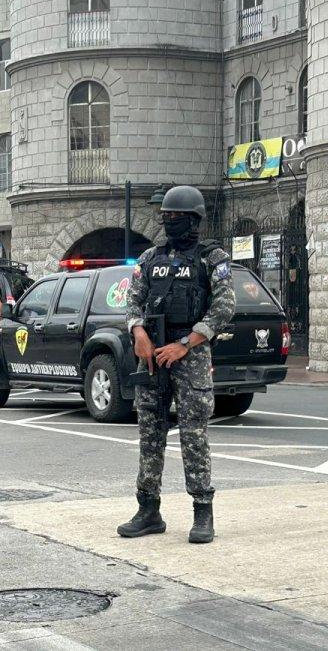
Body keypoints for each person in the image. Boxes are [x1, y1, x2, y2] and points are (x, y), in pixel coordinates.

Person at [117, 185, 235, 544]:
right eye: (165, 217)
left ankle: (202, 511)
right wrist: (137, 331)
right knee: (149, 434)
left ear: (194, 220)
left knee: (193, 434)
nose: (169, 223)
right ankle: (148, 509)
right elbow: (133, 300)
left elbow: (224, 307)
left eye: (176, 218)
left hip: (190, 356)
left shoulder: (211, 259)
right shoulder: (150, 258)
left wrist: (185, 344)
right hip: (153, 354)